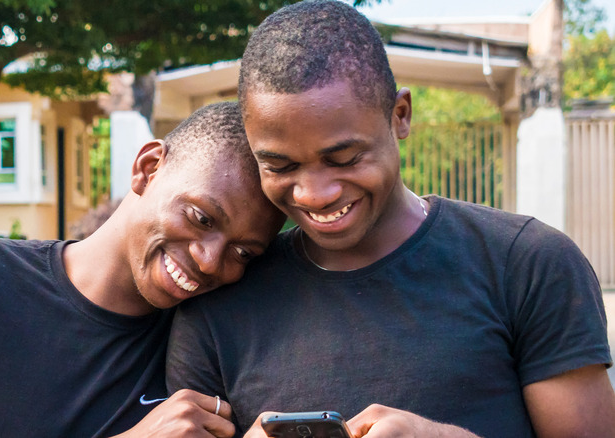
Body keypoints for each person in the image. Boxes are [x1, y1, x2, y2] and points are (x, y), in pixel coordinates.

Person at [166, 2, 615, 437]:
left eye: (344, 158)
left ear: (400, 116)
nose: (315, 194)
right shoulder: (219, 299)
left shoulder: (526, 264)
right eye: (280, 167)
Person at [0, 101, 285, 438]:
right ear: (148, 168)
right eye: (200, 218)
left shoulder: (207, 342)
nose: (210, 260)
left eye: (243, 253)